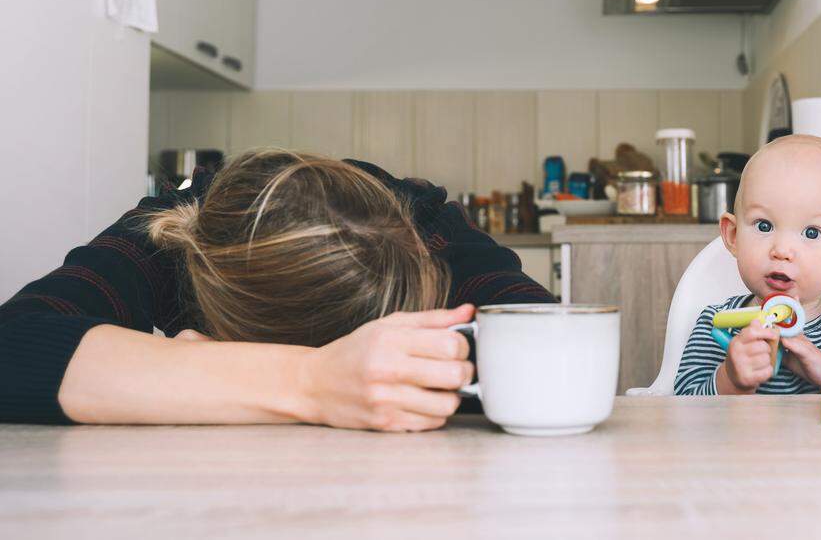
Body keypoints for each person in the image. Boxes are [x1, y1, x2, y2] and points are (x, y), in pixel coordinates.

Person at [0, 149, 554, 431]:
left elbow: (553, 345)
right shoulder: (172, 233)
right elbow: (13, 345)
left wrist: (185, 370)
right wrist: (311, 382)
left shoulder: (428, 226)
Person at [674, 135, 821, 396]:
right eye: (764, 225)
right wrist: (731, 379)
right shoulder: (716, 323)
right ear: (734, 236)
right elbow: (684, 412)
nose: (782, 250)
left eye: (812, 233)